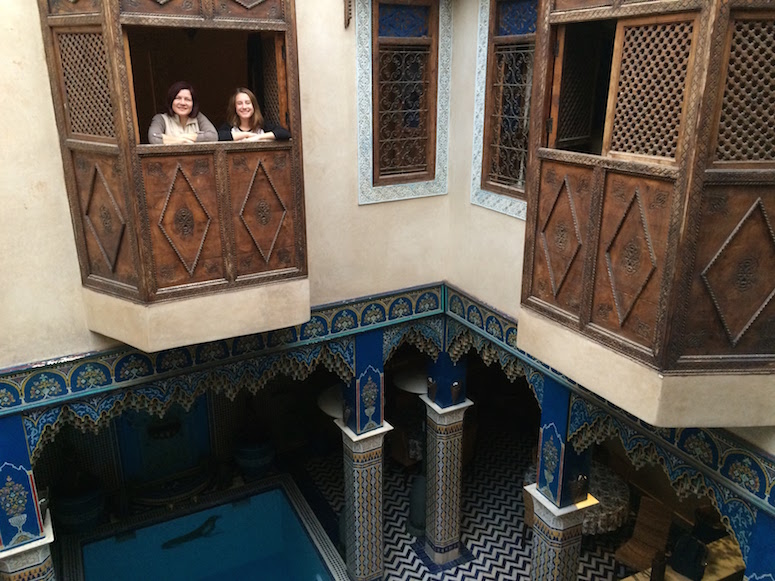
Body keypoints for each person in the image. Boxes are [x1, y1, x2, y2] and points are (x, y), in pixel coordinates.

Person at [148, 81, 217, 144]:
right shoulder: (160, 119)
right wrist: (182, 141)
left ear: (193, 103)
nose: (183, 103)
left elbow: (213, 137)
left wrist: (181, 137)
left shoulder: (198, 117)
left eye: (187, 99)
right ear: (171, 100)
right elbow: (154, 138)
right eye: (178, 98)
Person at [218, 88, 290, 142]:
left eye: (247, 103)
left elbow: (284, 133)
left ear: (253, 106)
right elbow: (219, 136)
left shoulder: (262, 125)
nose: (244, 107)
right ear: (234, 107)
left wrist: (258, 137)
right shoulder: (230, 126)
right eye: (239, 103)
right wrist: (247, 135)